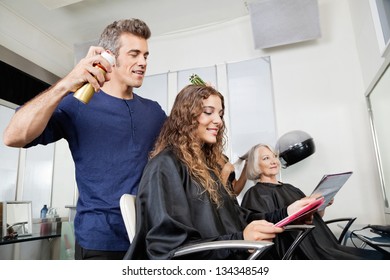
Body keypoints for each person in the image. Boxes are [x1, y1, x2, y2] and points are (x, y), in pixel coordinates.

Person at [3, 19, 167, 259]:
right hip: (98, 243)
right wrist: (66, 84)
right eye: (134, 54)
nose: (143, 62)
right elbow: (12, 136)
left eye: (145, 55)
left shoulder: (154, 112)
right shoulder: (78, 104)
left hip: (147, 240)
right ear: (110, 57)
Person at [126, 84, 316, 260]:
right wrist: (240, 240)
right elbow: (167, 248)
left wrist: (287, 213)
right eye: (208, 112)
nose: (218, 120)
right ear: (186, 116)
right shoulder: (165, 166)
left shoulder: (206, 169)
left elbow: (239, 218)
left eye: (220, 114)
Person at [240, 143, 388, 259]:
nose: (273, 161)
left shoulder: (291, 188)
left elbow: (314, 218)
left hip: (323, 243)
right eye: (266, 158)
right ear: (255, 165)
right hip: (299, 251)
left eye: (274, 156)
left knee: (380, 257)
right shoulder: (254, 194)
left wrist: (321, 206)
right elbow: (258, 226)